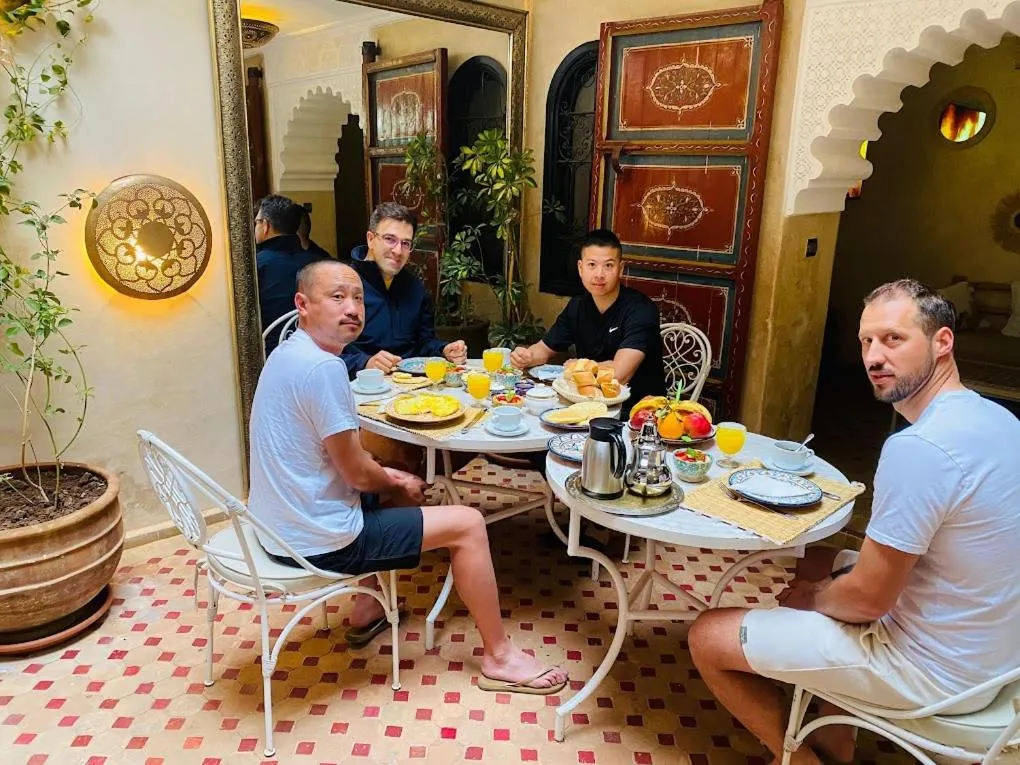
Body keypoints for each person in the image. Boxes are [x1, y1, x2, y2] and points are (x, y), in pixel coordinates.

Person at [687, 279, 1020, 765]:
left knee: (709, 634)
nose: (873, 356)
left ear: (942, 342)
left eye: (893, 338)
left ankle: (800, 760)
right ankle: (832, 738)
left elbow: (866, 600)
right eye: (866, 341)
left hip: (936, 672)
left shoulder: (919, 450)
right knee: (821, 557)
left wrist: (814, 598)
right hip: (997, 654)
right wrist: (827, 585)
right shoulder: (1000, 420)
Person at [246, 258, 568, 694]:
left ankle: (367, 608)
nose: (352, 308)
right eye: (337, 297)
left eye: (357, 297)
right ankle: (499, 656)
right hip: (316, 540)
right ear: (303, 304)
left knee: (395, 483)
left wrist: (392, 479)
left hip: (276, 524)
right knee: (469, 524)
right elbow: (358, 475)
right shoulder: (324, 370)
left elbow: (349, 464)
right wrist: (396, 480)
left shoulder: (288, 353)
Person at [510, 229, 664, 416]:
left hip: (637, 413)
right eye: (592, 265)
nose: (599, 274)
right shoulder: (578, 306)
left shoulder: (641, 310)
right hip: (585, 406)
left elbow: (620, 375)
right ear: (580, 268)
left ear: (621, 269)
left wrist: (578, 365)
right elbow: (544, 349)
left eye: (608, 265)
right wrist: (526, 356)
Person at [342, 202, 466, 376]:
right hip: (361, 386)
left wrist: (444, 349)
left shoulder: (415, 287)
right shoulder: (343, 283)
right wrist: (365, 362)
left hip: (412, 385)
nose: (398, 251)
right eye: (390, 239)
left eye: (406, 243)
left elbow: (424, 342)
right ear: (370, 239)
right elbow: (321, 354)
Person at [255, 195, 327, 354]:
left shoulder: (256, 266)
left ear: (265, 226)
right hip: (317, 349)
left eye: (257, 222)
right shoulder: (319, 263)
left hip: (272, 352)